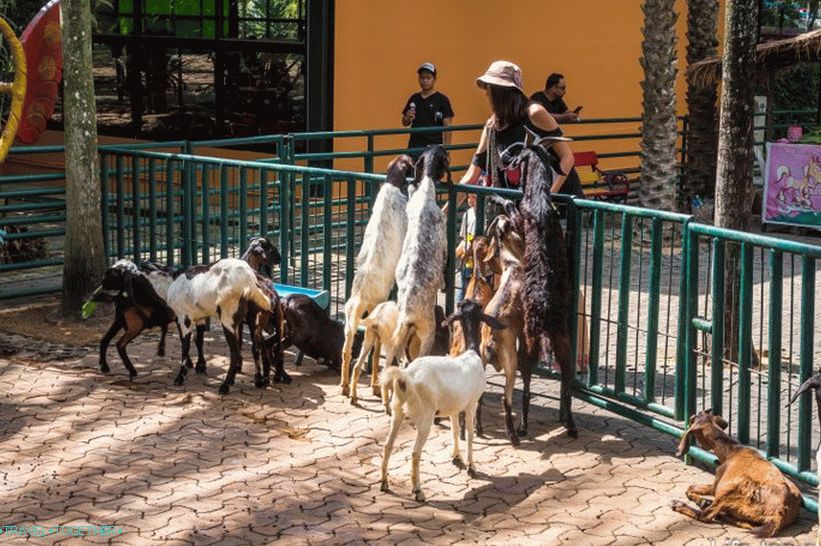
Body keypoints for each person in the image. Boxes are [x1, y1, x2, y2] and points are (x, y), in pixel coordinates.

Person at [450, 60, 582, 207]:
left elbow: (567, 157)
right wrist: (442, 215)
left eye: (490, 88)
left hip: (558, 199)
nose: (487, 93)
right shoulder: (492, 126)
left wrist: (546, 198)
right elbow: (471, 175)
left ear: (504, 92)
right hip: (522, 206)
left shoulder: (535, 113)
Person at [401, 63, 454, 158]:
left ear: (434, 79)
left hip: (433, 149)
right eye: (422, 78)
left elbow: (448, 127)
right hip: (414, 147)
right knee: (412, 172)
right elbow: (405, 122)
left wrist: (447, 151)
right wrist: (407, 118)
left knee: (430, 173)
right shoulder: (414, 98)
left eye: (428, 78)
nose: (424, 81)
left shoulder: (442, 100)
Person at [455, 189, 478, 302]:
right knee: (462, 290)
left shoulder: (485, 216)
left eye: (473, 197)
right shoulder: (467, 214)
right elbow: (464, 239)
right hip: (467, 261)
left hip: (479, 262)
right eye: (469, 197)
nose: (470, 200)